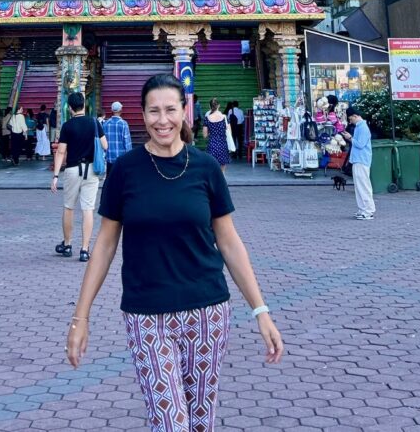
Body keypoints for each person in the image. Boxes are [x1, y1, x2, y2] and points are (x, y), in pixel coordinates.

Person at [65, 73, 283, 428]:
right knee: (171, 421)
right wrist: (81, 317)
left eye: (170, 110)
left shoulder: (206, 169)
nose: (162, 120)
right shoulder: (125, 171)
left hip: (208, 313)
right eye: (153, 111)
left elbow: (228, 242)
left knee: (200, 421)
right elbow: (104, 245)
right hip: (147, 315)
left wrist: (261, 310)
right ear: (142, 115)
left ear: (185, 112)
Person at [51, 91, 106, 262]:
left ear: (70, 107)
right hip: (91, 170)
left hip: (73, 169)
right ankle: (84, 249)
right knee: (88, 209)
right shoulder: (94, 122)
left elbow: (61, 152)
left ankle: (67, 245)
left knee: (69, 207)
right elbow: (105, 145)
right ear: (84, 104)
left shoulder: (68, 126)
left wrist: (55, 176)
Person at [345, 106, 375, 221]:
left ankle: (368, 210)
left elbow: (360, 144)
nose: (350, 121)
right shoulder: (360, 127)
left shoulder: (362, 128)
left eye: (350, 119)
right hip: (358, 159)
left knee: (363, 186)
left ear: (355, 116)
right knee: (359, 186)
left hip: (361, 160)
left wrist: (350, 138)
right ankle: (363, 209)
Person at [102, 100, 132, 176]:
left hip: (109, 159)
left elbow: (103, 143)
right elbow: (127, 144)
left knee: (110, 182)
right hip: (121, 160)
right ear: (121, 110)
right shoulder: (123, 124)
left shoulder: (106, 124)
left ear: (111, 110)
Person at [202, 98, 231, 171]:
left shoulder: (207, 118)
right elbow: (229, 133)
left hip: (212, 146)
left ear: (210, 106)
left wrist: (211, 131)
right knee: (222, 172)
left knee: (212, 170)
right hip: (222, 145)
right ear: (219, 106)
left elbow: (204, 135)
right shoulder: (225, 117)